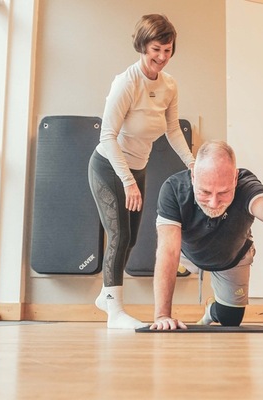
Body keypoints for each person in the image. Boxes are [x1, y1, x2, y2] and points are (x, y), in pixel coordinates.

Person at [88, 14, 195, 329]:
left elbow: (173, 129)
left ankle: (105, 296)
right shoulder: (126, 82)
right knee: (119, 235)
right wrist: (127, 182)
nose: (162, 57)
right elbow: (106, 136)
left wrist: (192, 162)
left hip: (138, 168)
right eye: (156, 49)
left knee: (130, 238)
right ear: (143, 46)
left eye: (168, 50)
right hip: (108, 167)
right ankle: (114, 310)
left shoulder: (169, 85)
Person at [149, 141, 263, 330]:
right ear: (193, 176)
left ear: (234, 179)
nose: (214, 203)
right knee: (169, 254)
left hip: (231, 257)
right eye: (205, 192)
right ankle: (190, 268)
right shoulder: (174, 189)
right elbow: (168, 252)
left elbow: (261, 204)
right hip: (187, 253)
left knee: (230, 319)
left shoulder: (245, 184)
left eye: (223, 193)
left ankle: (211, 310)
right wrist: (162, 316)